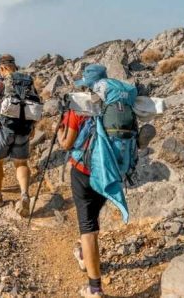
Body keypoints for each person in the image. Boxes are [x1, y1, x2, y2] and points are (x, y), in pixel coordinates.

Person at [57, 63, 143, 298]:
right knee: (93, 219)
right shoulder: (120, 103)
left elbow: (66, 144)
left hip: (83, 170)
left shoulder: (78, 107)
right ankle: (85, 255)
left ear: (86, 84)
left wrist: (59, 131)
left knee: (88, 228)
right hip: (110, 169)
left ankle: (94, 289)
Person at [0, 54, 40, 213]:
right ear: (14, 66)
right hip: (24, 129)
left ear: (2, 68)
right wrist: (32, 126)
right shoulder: (28, 81)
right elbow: (35, 106)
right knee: (21, 163)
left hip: (3, 130)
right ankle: (25, 194)